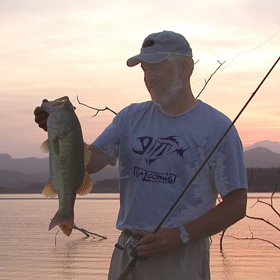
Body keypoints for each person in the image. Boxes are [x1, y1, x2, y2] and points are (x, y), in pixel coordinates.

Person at [34, 30, 248, 280]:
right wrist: (62, 134)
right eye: (144, 70)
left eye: (156, 68)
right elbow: (90, 163)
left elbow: (237, 205)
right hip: (128, 250)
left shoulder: (217, 128)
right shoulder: (129, 118)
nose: (148, 78)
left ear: (185, 68)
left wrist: (181, 234)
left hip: (183, 256)